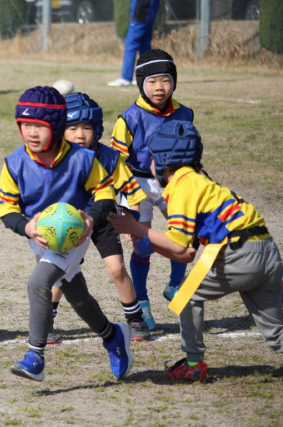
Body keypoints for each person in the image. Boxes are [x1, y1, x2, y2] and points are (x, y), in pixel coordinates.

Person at [108, 120, 283, 381]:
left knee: (186, 296)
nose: (150, 165)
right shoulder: (198, 179)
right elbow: (186, 253)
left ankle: (193, 364)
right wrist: (144, 239)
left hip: (239, 255)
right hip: (266, 250)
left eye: (152, 158)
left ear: (166, 160)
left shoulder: (182, 186)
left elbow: (179, 246)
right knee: (276, 333)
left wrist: (137, 227)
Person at [0, 86, 133, 382]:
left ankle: (35, 356)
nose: (32, 133)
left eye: (40, 126)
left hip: (72, 235)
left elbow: (104, 193)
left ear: (57, 126)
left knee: (38, 283)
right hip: (39, 238)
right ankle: (112, 336)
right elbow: (6, 208)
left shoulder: (82, 159)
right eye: (25, 125)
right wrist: (27, 227)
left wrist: (90, 219)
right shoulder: (15, 163)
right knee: (77, 296)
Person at [48, 92, 150, 344]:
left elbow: (133, 193)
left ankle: (135, 319)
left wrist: (133, 222)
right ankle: (45, 322)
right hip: (70, 223)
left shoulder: (110, 157)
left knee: (117, 269)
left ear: (97, 129)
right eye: (72, 128)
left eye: (86, 128)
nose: (80, 135)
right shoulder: (56, 158)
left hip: (105, 220)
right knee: (60, 273)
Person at [109, 48, 194, 331]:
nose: (160, 87)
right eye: (152, 81)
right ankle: (142, 302)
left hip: (172, 181)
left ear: (174, 81)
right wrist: (125, 199)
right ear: (141, 84)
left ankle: (175, 285)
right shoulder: (129, 118)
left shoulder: (184, 113)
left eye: (166, 80)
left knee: (185, 236)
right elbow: (116, 162)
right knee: (142, 245)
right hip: (138, 184)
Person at [108, 0, 160, 87]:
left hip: (143, 5)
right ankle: (147, 76)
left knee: (131, 42)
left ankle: (126, 77)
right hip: (148, 5)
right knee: (144, 43)